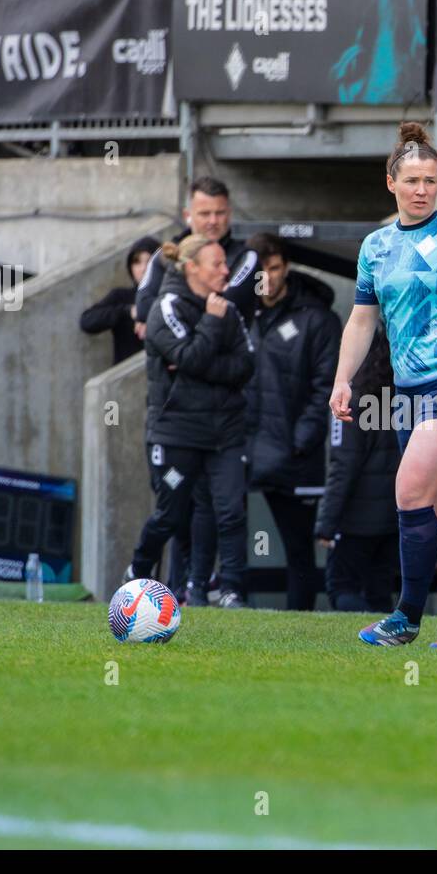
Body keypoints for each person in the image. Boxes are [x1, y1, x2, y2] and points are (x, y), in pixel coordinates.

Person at [329, 121, 437, 648]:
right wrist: (343, 379)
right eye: (412, 181)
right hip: (407, 395)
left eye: (431, 180)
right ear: (391, 182)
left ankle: (405, 617)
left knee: (408, 491)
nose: (422, 189)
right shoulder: (376, 246)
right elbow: (362, 321)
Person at [125, 234, 255, 609]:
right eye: (217, 264)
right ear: (192, 268)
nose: (226, 270)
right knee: (171, 516)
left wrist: (199, 365)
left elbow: (246, 365)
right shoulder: (166, 307)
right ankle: (138, 570)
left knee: (230, 511)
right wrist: (209, 334)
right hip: (177, 432)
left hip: (225, 431)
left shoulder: (226, 308)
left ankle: (229, 589)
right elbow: (191, 357)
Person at [244, 233, 341, 611]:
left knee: (297, 547)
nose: (267, 277)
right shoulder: (236, 313)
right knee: (222, 539)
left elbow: (326, 390)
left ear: (286, 268)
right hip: (239, 451)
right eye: (259, 270)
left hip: (293, 457)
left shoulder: (317, 319)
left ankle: (299, 618)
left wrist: (299, 441)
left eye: (274, 268)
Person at [315, 328, 401, 612]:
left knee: (342, 585)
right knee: (380, 590)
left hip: (355, 522)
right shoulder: (402, 402)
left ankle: (356, 648)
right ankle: (386, 643)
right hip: (395, 517)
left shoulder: (348, 404)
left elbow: (343, 468)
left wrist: (326, 524)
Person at [134, 177, 258, 327]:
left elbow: (228, 305)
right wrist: (212, 301)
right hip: (175, 348)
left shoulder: (247, 257)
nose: (213, 221)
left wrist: (167, 305)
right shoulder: (167, 253)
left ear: (229, 214)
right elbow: (143, 309)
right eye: (205, 214)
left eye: (220, 213)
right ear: (188, 216)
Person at [79, 236, 158, 364]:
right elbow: (87, 321)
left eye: (149, 262)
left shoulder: (170, 296)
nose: (143, 269)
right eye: (137, 262)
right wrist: (127, 311)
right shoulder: (121, 296)